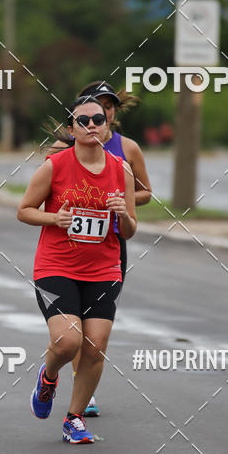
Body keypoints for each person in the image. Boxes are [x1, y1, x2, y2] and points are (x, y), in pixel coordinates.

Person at [17, 96, 137, 444]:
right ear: (71, 129)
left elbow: (130, 230)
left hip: (103, 269)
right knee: (68, 341)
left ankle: (74, 419)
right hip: (56, 265)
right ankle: (49, 375)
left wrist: (123, 215)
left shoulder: (121, 169)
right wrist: (54, 218)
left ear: (108, 125)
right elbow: (24, 210)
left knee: (95, 346)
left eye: (98, 119)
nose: (91, 125)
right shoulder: (55, 166)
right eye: (82, 121)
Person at [71, 81, 152, 416]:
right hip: (73, 246)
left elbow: (147, 192)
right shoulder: (70, 144)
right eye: (97, 105)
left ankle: (84, 386)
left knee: (95, 324)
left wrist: (123, 200)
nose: (103, 111)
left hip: (113, 242)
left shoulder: (128, 148)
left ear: (114, 114)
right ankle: (81, 387)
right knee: (74, 324)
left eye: (109, 106)